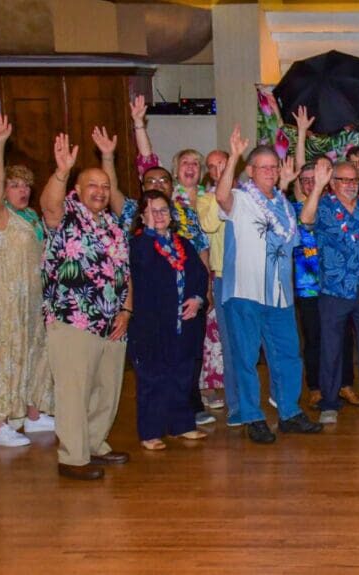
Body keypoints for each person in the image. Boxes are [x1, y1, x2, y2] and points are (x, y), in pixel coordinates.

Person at [213, 127, 322, 443]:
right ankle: (252, 417)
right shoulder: (241, 199)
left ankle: (289, 412)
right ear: (250, 171)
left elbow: (299, 232)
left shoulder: (284, 205)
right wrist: (233, 155)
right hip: (245, 293)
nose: (271, 173)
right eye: (264, 167)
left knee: (288, 355)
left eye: (274, 167)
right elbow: (220, 197)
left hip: (280, 295)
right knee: (246, 358)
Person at [41, 130, 131, 480]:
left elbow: (125, 272)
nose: (100, 192)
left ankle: (95, 444)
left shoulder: (113, 226)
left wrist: (127, 310)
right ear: (77, 190)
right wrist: (62, 170)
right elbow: (49, 205)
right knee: (75, 391)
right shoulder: (66, 218)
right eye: (92, 185)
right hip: (73, 319)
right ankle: (73, 458)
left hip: (113, 321)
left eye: (105, 187)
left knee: (106, 390)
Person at [131, 96, 225, 416]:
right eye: (184, 163)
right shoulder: (157, 204)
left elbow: (201, 246)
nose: (190, 168)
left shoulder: (199, 203)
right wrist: (139, 124)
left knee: (200, 340)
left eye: (195, 164)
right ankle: (168, 404)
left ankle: (197, 393)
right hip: (159, 286)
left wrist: (206, 286)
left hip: (196, 279)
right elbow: (147, 164)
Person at [298, 134, 359, 423]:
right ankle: (328, 403)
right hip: (334, 289)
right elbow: (306, 220)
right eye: (345, 180)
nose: (351, 184)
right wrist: (316, 188)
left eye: (355, 180)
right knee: (331, 347)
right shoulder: (323, 206)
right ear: (333, 182)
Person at [0, 114, 55, 447]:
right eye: (15, 185)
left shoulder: (32, 216)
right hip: (6, 296)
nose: (21, 190)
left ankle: (33, 414)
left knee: (37, 350)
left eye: (26, 185)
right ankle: (0, 423)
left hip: (34, 295)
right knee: (8, 353)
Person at [127, 190, 211, 451]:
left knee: (182, 376)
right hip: (151, 325)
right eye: (152, 211)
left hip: (183, 324)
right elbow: (140, 264)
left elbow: (199, 274)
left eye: (163, 210)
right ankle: (150, 431)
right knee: (153, 378)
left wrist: (197, 299)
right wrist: (150, 232)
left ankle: (182, 425)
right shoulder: (138, 244)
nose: (159, 215)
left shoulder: (183, 244)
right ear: (142, 216)